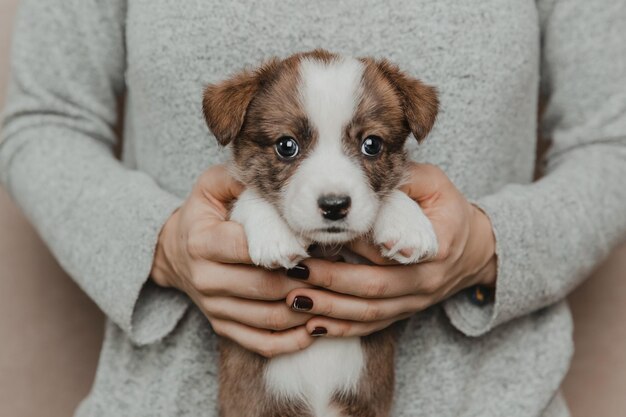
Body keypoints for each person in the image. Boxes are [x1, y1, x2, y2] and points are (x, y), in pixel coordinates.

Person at [1, 0, 624, 416]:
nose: (332, 185)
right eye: (290, 147)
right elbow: (43, 120)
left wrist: (489, 246)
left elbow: (612, 142)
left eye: (371, 145)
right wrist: (160, 244)